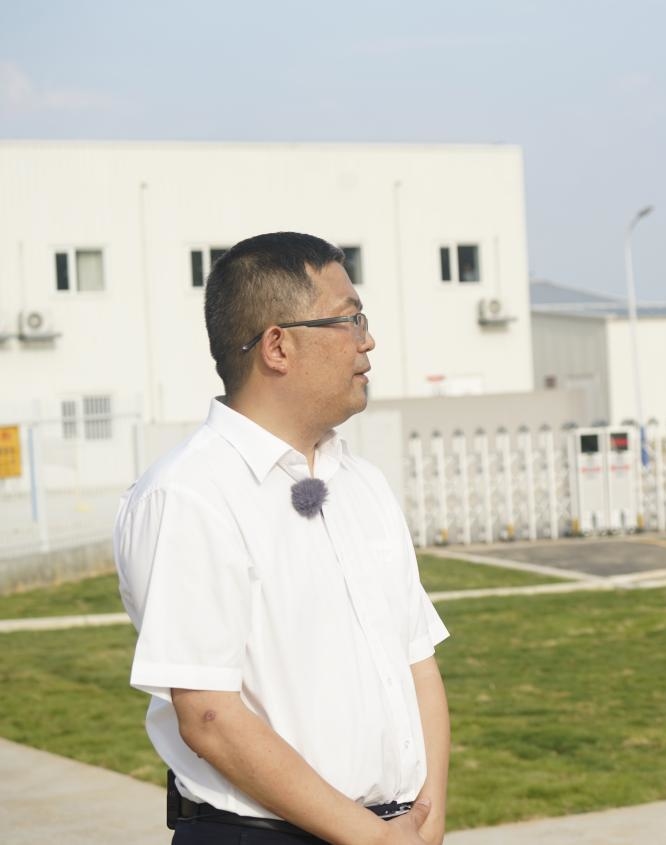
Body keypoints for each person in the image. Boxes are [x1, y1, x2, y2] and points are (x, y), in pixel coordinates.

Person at [115, 232, 450, 845]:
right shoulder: (189, 494)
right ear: (277, 346)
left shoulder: (363, 484)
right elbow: (209, 716)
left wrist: (428, 819)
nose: (367, 340)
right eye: (350, 319)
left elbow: (417, 663)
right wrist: (374, 839)